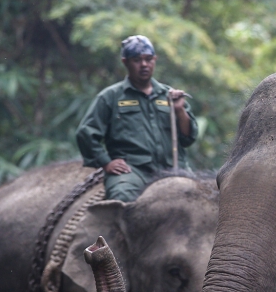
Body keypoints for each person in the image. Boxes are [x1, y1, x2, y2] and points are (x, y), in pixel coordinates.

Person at [76, 35, 197, 202]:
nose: (144, 65)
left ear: (155, 60)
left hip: (173, 169)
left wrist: (179, 110)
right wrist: (106, 162)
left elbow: (188, 137)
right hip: (133, 171)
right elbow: (86, 133)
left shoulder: (170, 95)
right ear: (125, 62)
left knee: (201, 202)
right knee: (122, 197)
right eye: (137, 60)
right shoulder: (111, 96)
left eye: (148, 59)